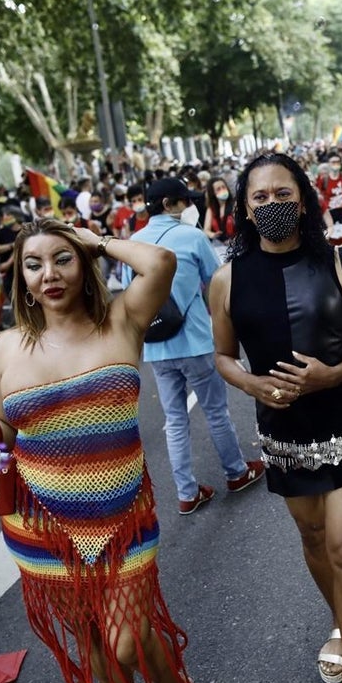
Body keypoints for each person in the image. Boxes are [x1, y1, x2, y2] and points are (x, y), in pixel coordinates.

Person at [0, 218, 194, 683]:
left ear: (84, 262)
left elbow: (159, 263)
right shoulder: (6, 346)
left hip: (124, 516)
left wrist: (95, 240)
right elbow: (3, 431)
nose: (49, 274)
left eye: (62, 259)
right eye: (33, 264)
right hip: (39, 524)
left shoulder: (122, 319)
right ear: (20, 278)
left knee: (127, 639)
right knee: (88, 636)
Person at [210, 153, 342, 683]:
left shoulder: (341, 259)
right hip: (282, 437)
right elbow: (222, 357)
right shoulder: (228, 278)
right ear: (243, 209)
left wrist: (331, 376)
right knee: (312, 539)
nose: (271, 206)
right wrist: (253, 384)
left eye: (282, 193)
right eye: (258, 198)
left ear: (304, 198)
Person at [124, 178, 264, 515]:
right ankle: (236, 472)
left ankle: (186, 492)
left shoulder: (132, 242)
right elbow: (218, 282)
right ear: (170, 204)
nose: (189, 206)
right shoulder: (192, 236)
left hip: (157, 346)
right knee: (215, 411)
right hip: (196, 340)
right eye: (184, 201)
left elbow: (130, 295)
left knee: (174, 419)